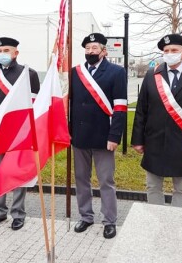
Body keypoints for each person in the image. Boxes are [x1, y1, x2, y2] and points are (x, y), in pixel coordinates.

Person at [131, 34, 182, 207]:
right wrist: (137, 140)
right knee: (153, 187)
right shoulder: (152, 75)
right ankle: (156, 224)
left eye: (174, 50)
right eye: (166, 50)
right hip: (154, 142)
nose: (169, 53)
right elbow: (141, 111)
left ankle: (176, 229)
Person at [0, 37, 40, 231]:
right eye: (0, 50)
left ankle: (18, 214)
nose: (2, 54)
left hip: (19, 135)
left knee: (17, 174)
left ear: (16, 53)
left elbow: (34, 106)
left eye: (6, 50)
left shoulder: (28, 74)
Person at [70, 33, 127, 239]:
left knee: (106, 181)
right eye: (87, 49)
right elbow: (70, 104)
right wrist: (69, 133)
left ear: (104, 51)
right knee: (81, 179)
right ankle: (85, 217)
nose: (90, 52)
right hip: (80, 136)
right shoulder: (76, 73)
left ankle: (109, 221)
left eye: (94, 48)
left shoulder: (116, 72)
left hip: (104, 137)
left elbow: (120, 107)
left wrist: (115, 136)